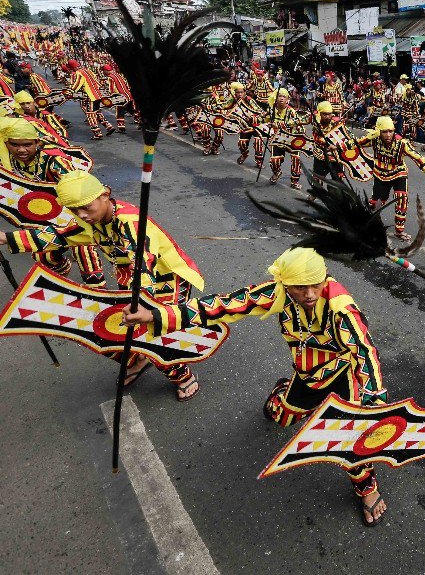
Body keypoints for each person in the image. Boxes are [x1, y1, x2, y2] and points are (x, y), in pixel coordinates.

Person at [122, 247, 389, 526]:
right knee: (281, 417)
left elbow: (365, 352)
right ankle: (281, 394)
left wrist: (374, 405)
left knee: (350, 439)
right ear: (286, 284)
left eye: (315, 284)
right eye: (300, 287)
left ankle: (367, 489)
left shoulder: (342, 310)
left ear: (325, 278)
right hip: (306, 376)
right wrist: (156, 315)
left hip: (343, 379)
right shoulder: (278, 293)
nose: (309, 294)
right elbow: (225, 304)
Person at [1, 170, 203, 400]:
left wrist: (144, 306)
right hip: (129, 277)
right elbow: (59, 236)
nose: (82, 215)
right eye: (74, 210)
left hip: (164, 278)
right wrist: (7, 237)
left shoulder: (131, 223)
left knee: (153, 331)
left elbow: (142, 264)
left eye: (86, 207)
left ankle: (182, 375)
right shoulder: (91, 220)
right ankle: (138, 360)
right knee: (110, 329)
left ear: (105, 194)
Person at [0, 118, 104, 287]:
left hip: (72, 215)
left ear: (37, 143)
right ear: (6, 143)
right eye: (14, 145)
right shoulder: (8, 163)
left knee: (84, 251)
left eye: (27, 144)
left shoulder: (55, 162)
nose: (21, 150)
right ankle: (60, 286)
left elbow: (79, 190)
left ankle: (98, 295)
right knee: (45, 257)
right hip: (39, 219)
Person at [357, 115, 425, 241]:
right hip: (381, 175)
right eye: (384, 132)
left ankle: (399, 230)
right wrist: (337, 148)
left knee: (401, 199)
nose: (388, 135)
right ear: (378, 131)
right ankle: (371, 223)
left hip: (399, 174)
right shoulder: (373, 139)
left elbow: (418, 158)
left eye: (391, 131)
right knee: (376, 204)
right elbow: (355, 144)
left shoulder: (402, 144)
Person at [64, 59, 115, 140]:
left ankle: (97, 133)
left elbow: (77, 84)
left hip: (91, 96)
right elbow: (97, 81)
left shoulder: (79, 73)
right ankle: (108, 126)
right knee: (97, 112)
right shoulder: (88, 70)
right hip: (98, 94)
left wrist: (70, 92)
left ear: (72, 67)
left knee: (90, 114)